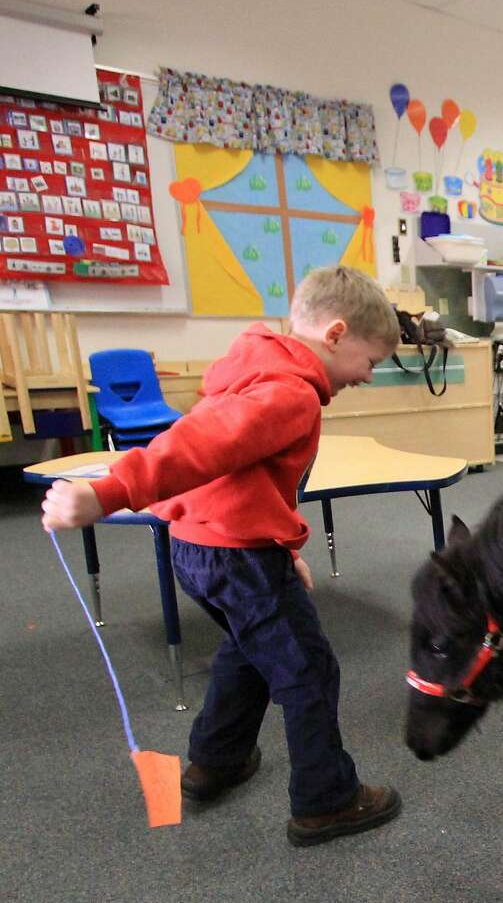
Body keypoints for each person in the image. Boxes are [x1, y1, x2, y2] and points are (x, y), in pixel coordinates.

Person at [41, 266, 403, 847]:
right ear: (336, 334)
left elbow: (244, 478)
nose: (366, 376)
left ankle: (217, 761)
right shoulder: (290, 393)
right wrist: (109, 491)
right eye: (371, 361)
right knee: (308, 671)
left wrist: (283, 550)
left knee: (248, 649)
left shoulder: (256, 369)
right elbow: (198, 446)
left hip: (202, 549)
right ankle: (327, 802)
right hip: (238, 559)